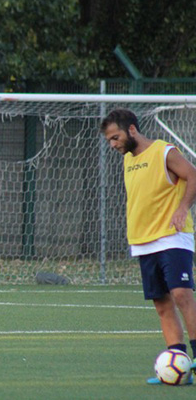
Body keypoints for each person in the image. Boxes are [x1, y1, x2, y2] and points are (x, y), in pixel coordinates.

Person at [101, 108, 196, 384]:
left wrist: (182, 208)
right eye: (109, 140)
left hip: (172, 236)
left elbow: (193, 175)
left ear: (132, 130)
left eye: (115, 137)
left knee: (181, 294)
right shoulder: (129, 160)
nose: (113, 144)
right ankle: (177, 362)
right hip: (143, 241)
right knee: (161, 303)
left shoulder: (164, 151)